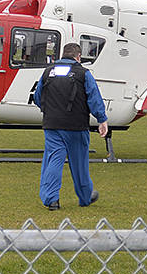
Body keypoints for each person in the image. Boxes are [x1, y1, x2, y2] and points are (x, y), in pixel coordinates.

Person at [33, 42, 109, 210]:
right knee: (79, 163)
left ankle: (51, 199)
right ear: (78, 56)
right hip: (76, 126)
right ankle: (85, 197)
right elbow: (94, 97)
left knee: (54, 160)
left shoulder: (48, 72)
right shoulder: (83, 73)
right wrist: (102, 119)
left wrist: (50, 111)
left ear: (62, 55)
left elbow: (38, 97)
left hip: (52, 125)